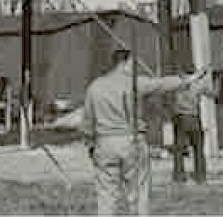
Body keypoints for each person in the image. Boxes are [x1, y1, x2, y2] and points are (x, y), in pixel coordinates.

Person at [81, 42, 205, 216]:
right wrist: (189, 79)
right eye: (133, 63)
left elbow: (87, 121)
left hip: (105, 143)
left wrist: (90, 144)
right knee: (138, 194)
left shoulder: (95, 87)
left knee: (106, 196)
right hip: (131, 141)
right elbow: (162, 84)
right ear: (126, 63)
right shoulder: (135, 83)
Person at [169, 80, 207, 185]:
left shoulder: (178, 86)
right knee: (198, 148)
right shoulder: (197, 86)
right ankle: (200, 175)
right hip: (194, 117)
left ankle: (179, 175)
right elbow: (210, 92)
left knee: (179, 148)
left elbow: (174, 102)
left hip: (181, 116)